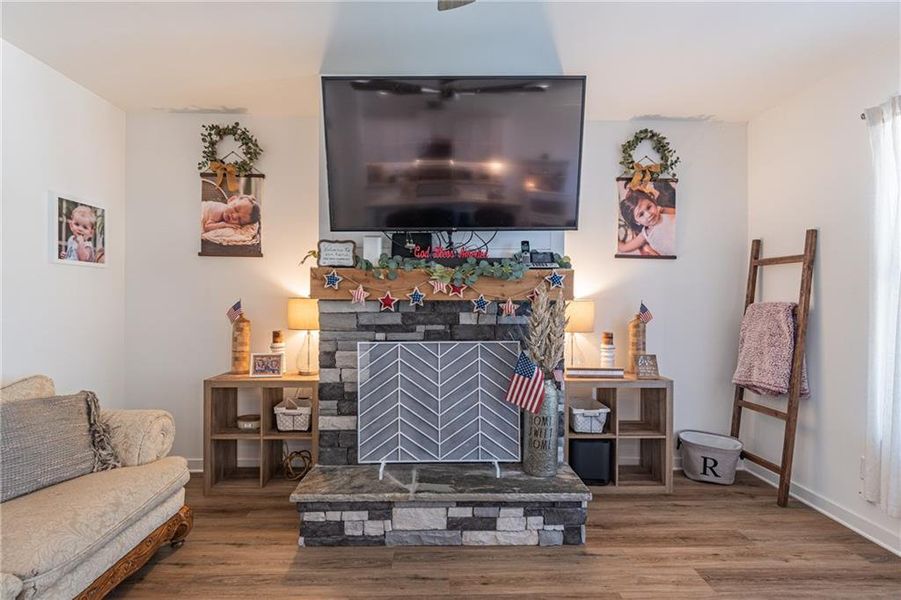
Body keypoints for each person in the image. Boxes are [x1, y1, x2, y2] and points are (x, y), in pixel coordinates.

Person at [617, 189, 676, 256]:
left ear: (654, 203)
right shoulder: (645, 234)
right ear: (636, 222)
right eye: (641, 214)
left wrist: (662, 209)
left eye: (649, 207)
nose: (649, 214)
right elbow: (623, 248)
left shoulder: (662, 211)